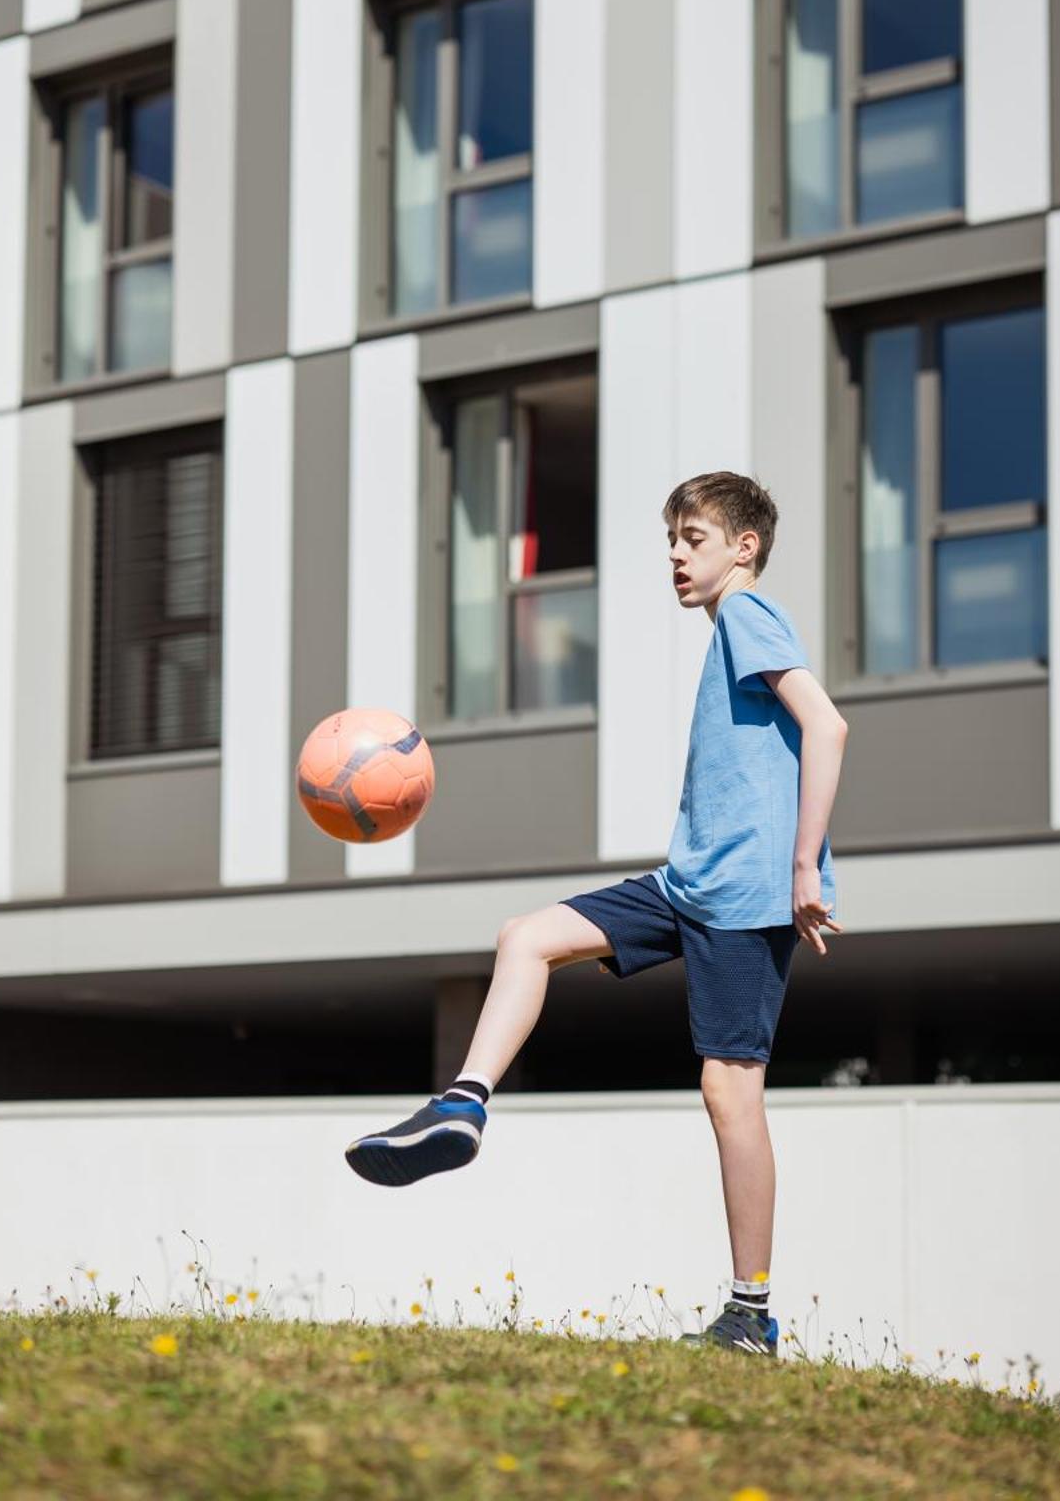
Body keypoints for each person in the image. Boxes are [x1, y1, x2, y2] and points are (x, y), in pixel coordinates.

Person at [345, 470, 846, 1357]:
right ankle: (462, 1105)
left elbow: (828, 725)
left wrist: (805, 865)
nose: (675, 556)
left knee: (730, 1092)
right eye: (671, 541)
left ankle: (749, 1314)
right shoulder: (730, 628)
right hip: (689, 882)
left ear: (745, 547)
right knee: (526, 938)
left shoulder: (747, 615)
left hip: (741, 899)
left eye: (691, 540)